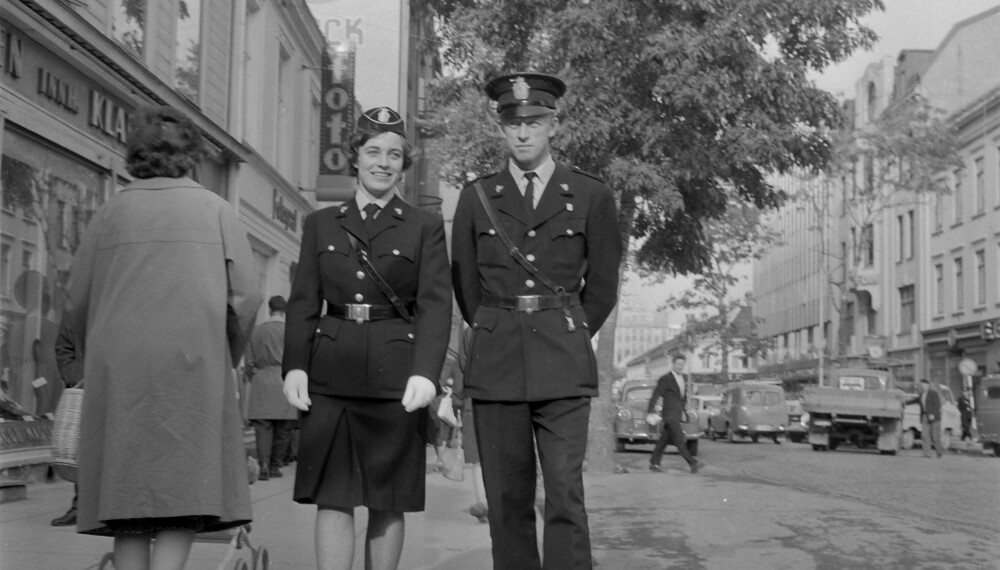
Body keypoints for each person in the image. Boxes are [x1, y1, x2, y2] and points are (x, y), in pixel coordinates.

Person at [64, 105, 261, 570]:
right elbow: (246, 298)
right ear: (190, 155)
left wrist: (97, 354)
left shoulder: (111, 211)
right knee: (183, 485)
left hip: (120, 367)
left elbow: (77, 298)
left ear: (136, 153)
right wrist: (223, 354)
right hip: (192, 362)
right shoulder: (215, 210)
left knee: (128, 492)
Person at [450, 72, 623, 570]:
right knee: (507, 500)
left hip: (563, 363)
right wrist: (501, 326)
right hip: (498, 360)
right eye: (512, 123)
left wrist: (566, 329)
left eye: (534, 121)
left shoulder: (591, 195)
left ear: (554, 124)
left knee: (566, 495)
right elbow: (467, 288)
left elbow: (604, 287)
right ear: (501, 128)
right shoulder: (476, 197)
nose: (523, 133)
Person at [281, 107, 452, 570]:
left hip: (395, 378)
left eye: (394, 155)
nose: (383, 162)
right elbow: (303, 301)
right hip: (330, 373)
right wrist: (295, 363)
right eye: (373, 151)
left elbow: (436, 305)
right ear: (354, 158)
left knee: (387, 496)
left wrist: (426, 372)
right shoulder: (321, 224)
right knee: (333, 497)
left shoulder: (424, 226)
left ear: (403, 164)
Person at [245, 295, 297, 481]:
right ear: (284, 311)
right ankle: (276, 465)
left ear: (269, 309)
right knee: (283, 427)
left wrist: (255, 377)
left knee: (262, 427)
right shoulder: (291, 331)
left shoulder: (256, 331)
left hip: (262, 380)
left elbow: (249, 362)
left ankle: (263, 464)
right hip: (285, 380)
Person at [645, 354, 704, 474]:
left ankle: (654, 463)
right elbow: (656, 394)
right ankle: (693, 463)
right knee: (679, 439)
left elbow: (682, 397)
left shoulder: (683, 378)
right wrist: (650, 411)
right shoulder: (666, 379)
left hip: (677, 415)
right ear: (673, 364)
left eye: (682, 364)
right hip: (669, 415)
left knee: (664, 440)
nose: (680, 366)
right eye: (678, 364)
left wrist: (685, 411)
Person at [51, 314, 84, 527]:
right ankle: (79, 508)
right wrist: (76, 378)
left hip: (121, 390)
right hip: (85, 389)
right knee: (80, 447)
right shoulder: (79, 305)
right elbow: (64, 346)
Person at [905, 379, 945, 458]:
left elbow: (937, 405)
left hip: (935, 418)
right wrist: (905, 403)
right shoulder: (922, 394)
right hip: (924, 416)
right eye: (921, 385)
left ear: (927, 385)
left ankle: (939, 452)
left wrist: (933, 414)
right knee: (924, 435)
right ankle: (927, 453)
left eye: (924, 385)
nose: (922, 386)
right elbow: (915, 400)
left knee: (935, 436)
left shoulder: (933, 393)